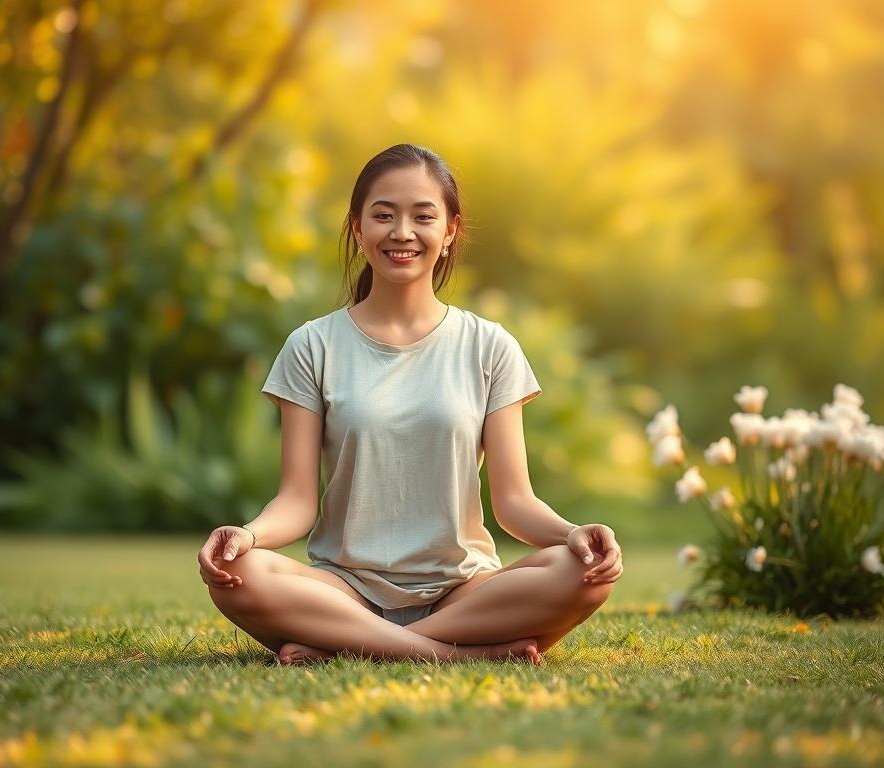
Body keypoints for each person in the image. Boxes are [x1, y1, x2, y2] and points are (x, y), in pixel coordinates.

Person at [198, 143, 623, 665]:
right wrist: (248, 534)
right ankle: (455, 654)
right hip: (343, 590)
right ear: (357, 228)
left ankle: (344, 645)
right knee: (238, 573)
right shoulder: (313, 346)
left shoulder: (489, 346)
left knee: (583, 570)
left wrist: (574, 533)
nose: (402, 232)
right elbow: (297, 501)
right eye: (383, 215)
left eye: (423, 216)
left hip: (463, 591)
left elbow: (514, 504)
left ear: (449, 233)